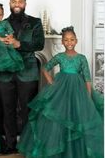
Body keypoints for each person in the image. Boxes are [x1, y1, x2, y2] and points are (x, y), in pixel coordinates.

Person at [17, 26, 104, 158]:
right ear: (62, 42)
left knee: (76, 116)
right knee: (58, 117)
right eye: (66, 40)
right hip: (61, 89)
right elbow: (45, 68)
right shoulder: (60, 56)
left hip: (77, 89)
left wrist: (88, 96)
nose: (69, 42)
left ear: (76, 41)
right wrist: (51, 80)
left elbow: (87, 78)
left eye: (72, 40)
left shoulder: (81, 58)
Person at [0, 0, 45, 154]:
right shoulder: (1, 23)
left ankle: (27, 145)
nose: (17, 4)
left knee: (27, 110)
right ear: (9, 3)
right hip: (5, 72)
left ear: (25, 4)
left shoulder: (35, 22)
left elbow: (39, 44)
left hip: (28, 71)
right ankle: (10, 145)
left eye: (20, 1)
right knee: (7, 109)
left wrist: (20, 44)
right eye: (14, 1)